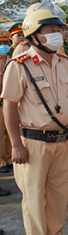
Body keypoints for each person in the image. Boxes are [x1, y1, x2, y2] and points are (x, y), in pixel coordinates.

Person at [1, 9, 68, 235]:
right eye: (51, 31)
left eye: (59, 30)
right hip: (33, 143)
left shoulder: (62, 61)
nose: (58, 35)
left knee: (59, 198)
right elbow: (9, 106)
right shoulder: (20, 64)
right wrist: (16, 145)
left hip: (62, 141)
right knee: (35, 200)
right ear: (34, 35)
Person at [0, 31, 13, 177]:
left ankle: (9, 158)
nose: (3, 46)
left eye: (5, 44)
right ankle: (1, 161)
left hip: (8, 101)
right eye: (0, 44)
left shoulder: (10, 60)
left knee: (9, 132)